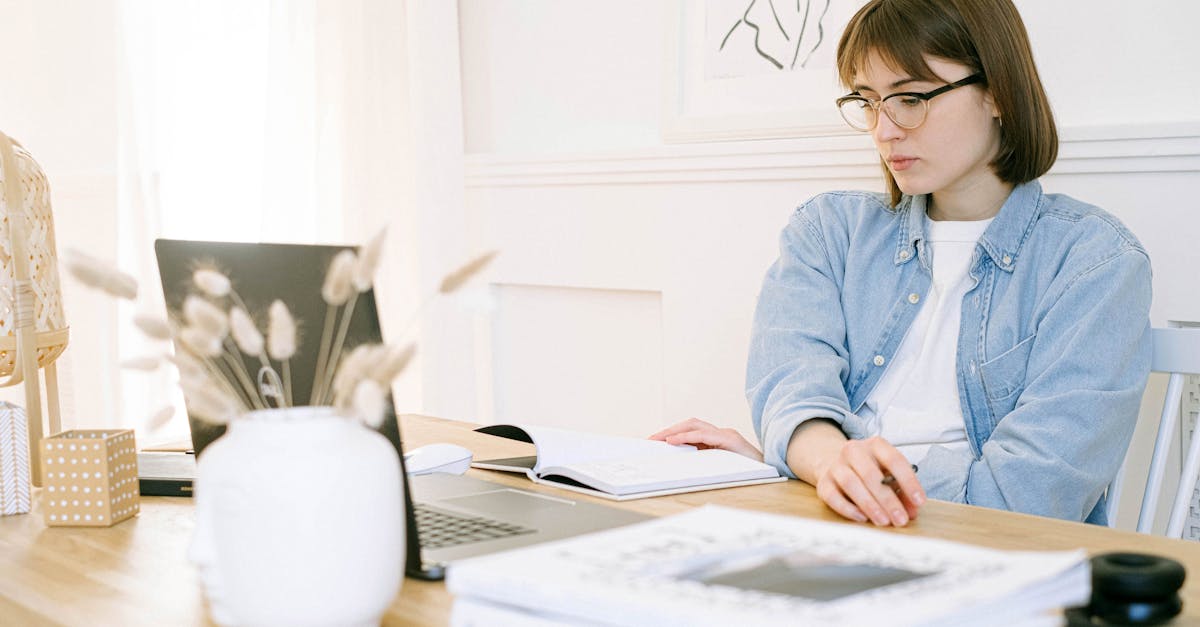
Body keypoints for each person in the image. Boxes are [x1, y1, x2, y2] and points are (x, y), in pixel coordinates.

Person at [651, 0, 1151, 527]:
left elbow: (1025, 497)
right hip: (825, 534)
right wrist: (820, 464)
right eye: (868, 101)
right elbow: (790, 393)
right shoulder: (828, 232)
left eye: (910, 98)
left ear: (999, 92)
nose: (883, 130)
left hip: (989, 566)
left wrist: (813, 469)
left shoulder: (1096, 263)